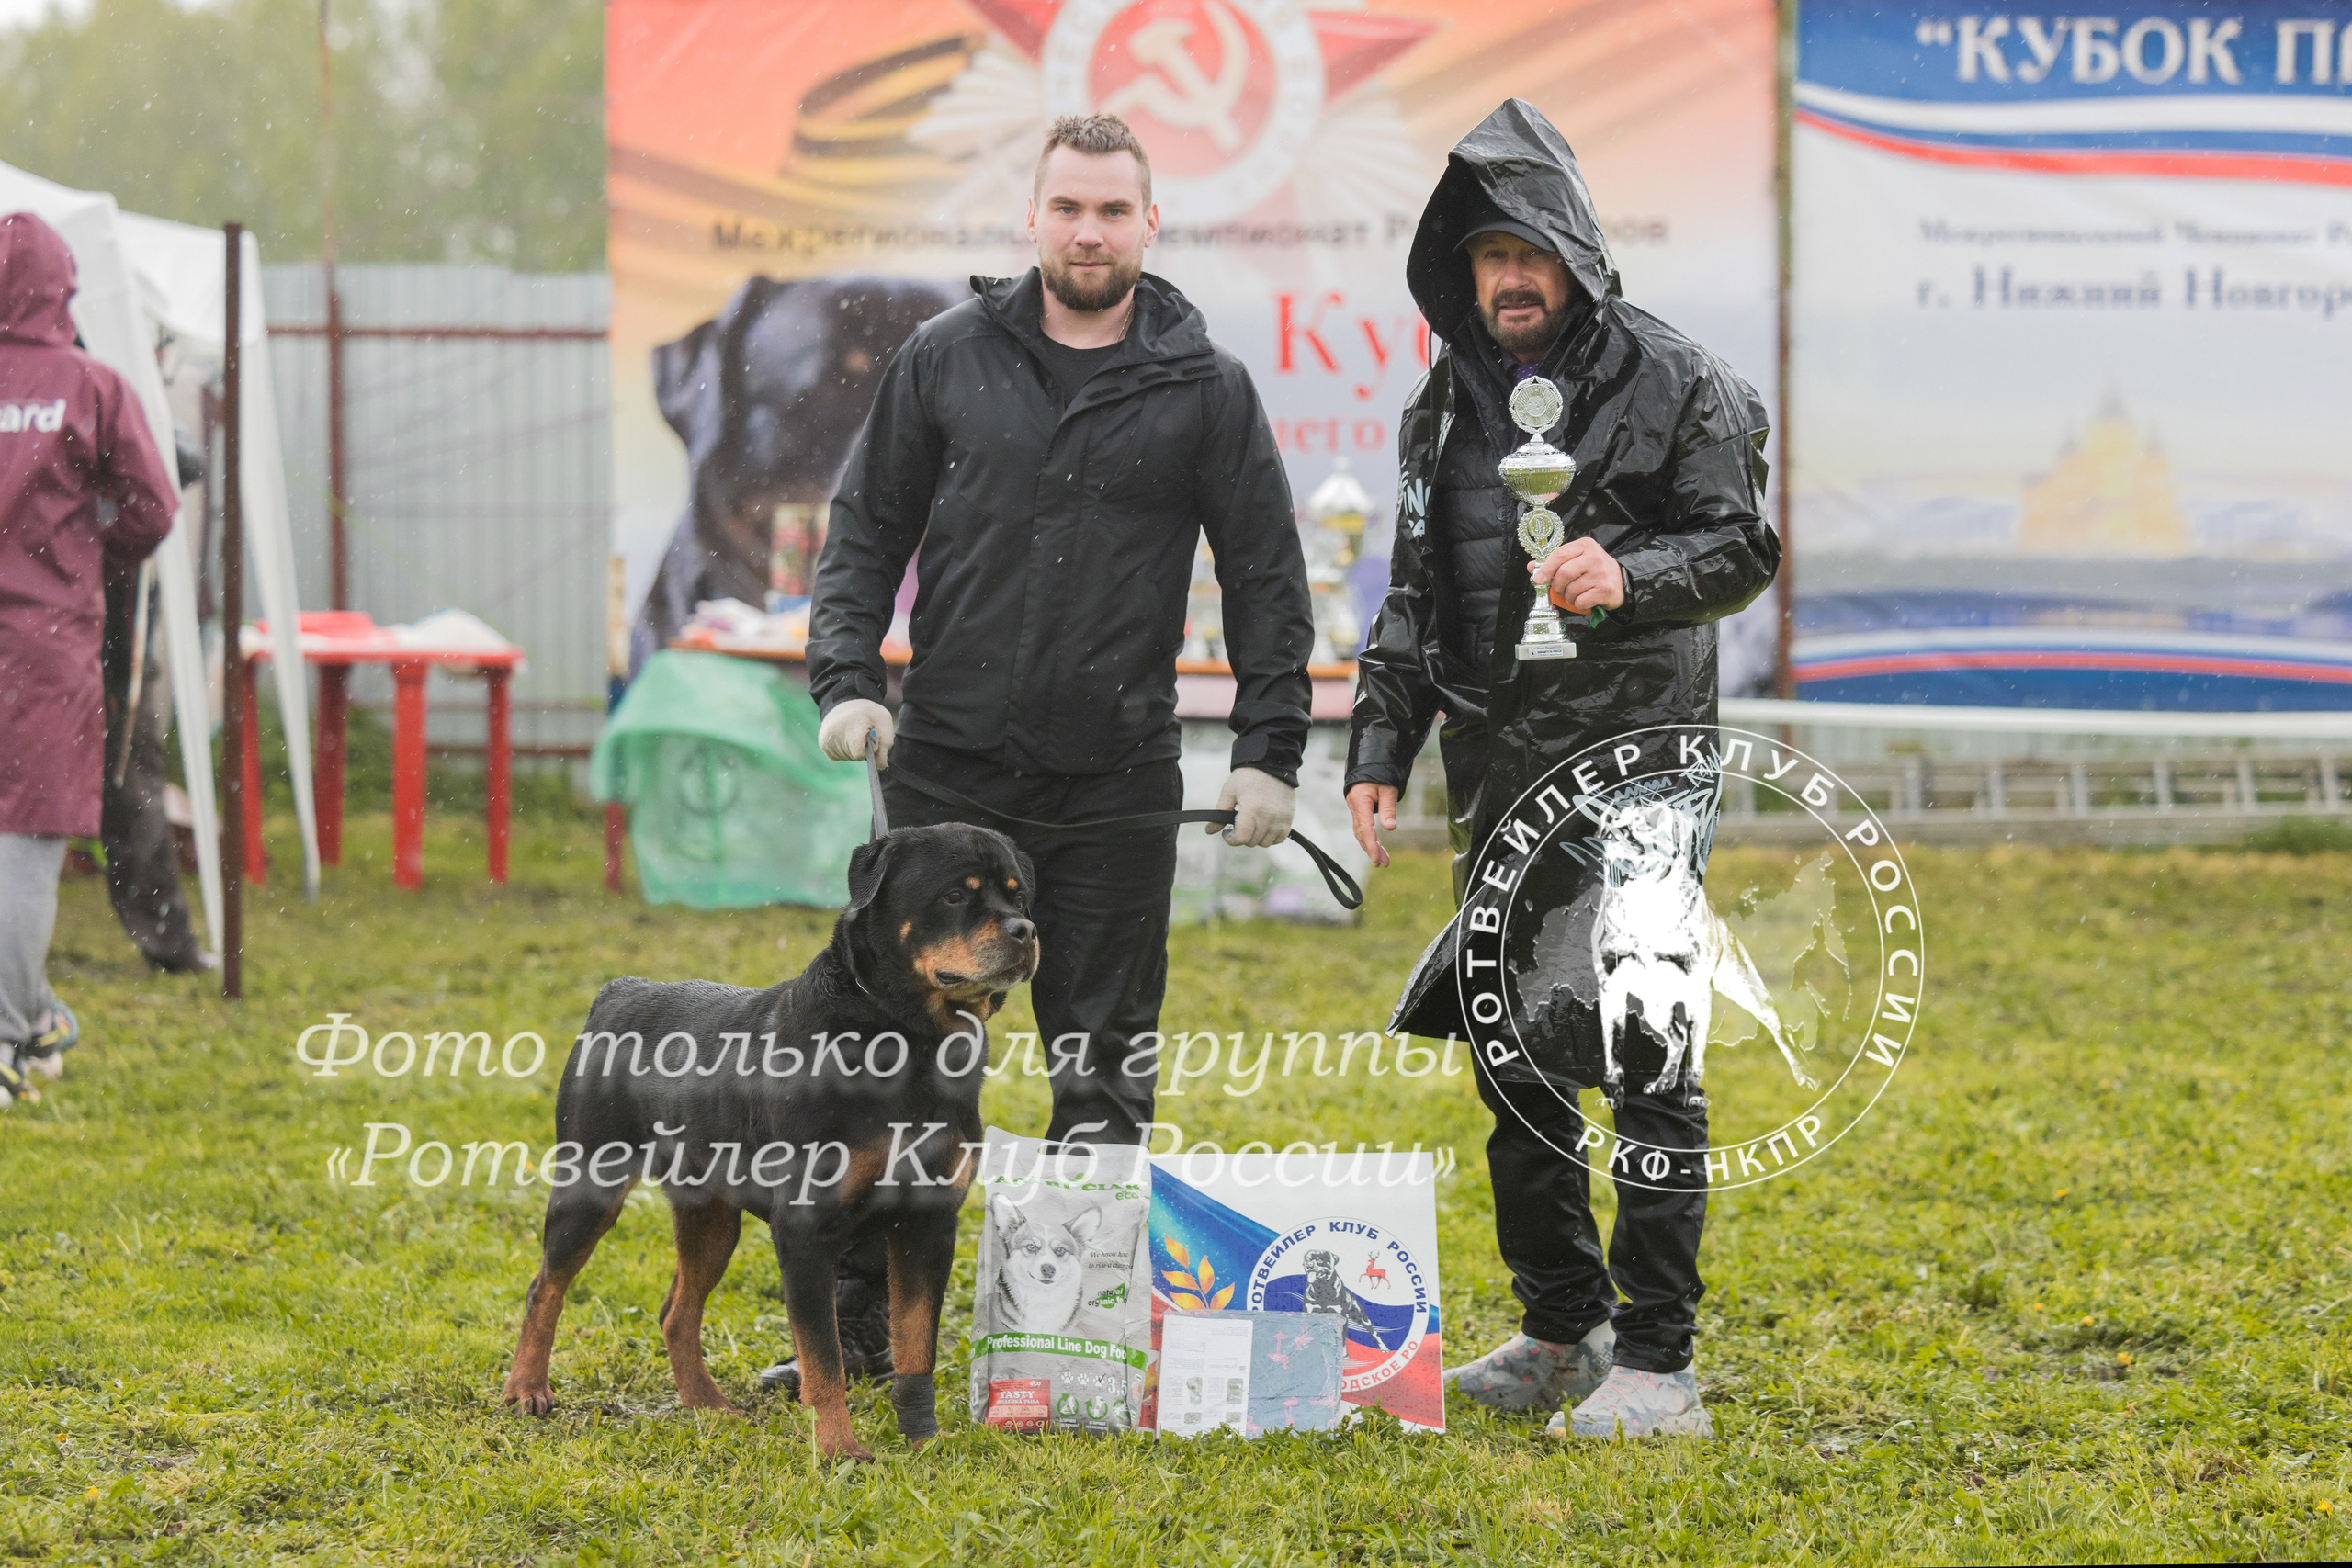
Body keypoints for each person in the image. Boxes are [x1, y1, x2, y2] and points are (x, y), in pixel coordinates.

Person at [775, 113, 1316, 1389]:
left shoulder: (1206, 387)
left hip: (1117, 782)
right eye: (1068, 207)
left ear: (1149, 226)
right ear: (1033, 217)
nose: (1088, 231)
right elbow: (863, 532)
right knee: (879, 1074)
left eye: (1113, 211)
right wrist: (847, 680)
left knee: (1103, 1062)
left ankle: (1073, 1352)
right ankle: (852, 1345)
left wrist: (1268, 748)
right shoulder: (943, 358)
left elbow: (1264, 575)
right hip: (947, 776)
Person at [1344, 101, 1781, 1438]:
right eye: (1488, 256)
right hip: (1497, 774)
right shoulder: (1446, 400)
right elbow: (1416, 590)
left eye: (1532, 249)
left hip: (1641, 767)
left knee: (1650, 1047)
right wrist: (1381, 745)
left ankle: (1659, 1363)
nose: (1511, 276)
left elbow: (1742, 548)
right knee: (1511, 1048)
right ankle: (1559, 1325)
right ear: (1461, 272)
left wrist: (1627, 573)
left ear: (1577, 252)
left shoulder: (1676, 375)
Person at [1, 210, 178, 1104]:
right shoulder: (92, 385)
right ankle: (10, 1035)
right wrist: (85, 559)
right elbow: (153, 507)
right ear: (63, 286)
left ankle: (30, 1024)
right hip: (45, 649)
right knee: (26, 845)